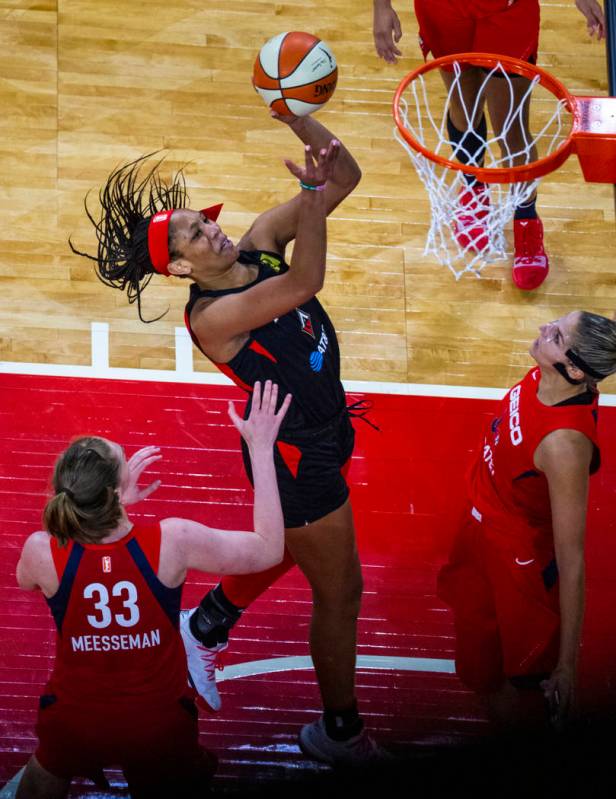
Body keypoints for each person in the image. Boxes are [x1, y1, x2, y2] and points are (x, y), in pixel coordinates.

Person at [70, 115, 383, 766]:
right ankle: (341, 731)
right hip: (294, 450)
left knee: (299, 548)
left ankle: (205, 624)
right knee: (341, 590)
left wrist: (301, 122)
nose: (210, 225)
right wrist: (314, 197)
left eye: (202, 216)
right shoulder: (215, 317)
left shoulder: (260, 240)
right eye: (193, 231)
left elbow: (346, 176)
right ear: (182, 264)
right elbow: (304, 284)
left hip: (323, 429)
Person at [15, 380, 290, 799]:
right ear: (114, 492)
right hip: (156, 722)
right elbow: (270, 549)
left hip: (75, 719)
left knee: (43, 776)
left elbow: (27, 580)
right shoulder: (171, 541)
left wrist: (115, 509)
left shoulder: (41, 551)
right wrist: (261, 447)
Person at [437, 311, 616, 729]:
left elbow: (572, 560)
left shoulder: (564, 445)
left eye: (555, 334)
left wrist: (568, 665)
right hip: (480, 530)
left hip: (516, 565)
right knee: (479, 666)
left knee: (518, 682)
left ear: (573, 367)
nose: (542, 329)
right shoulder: (543, 378)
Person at [372, 0, 606, 290]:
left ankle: (526, 219)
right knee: (463, 107)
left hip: (507, 8)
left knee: (511, 127)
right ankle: (473, 187)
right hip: (443, 8)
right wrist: (381, 6)